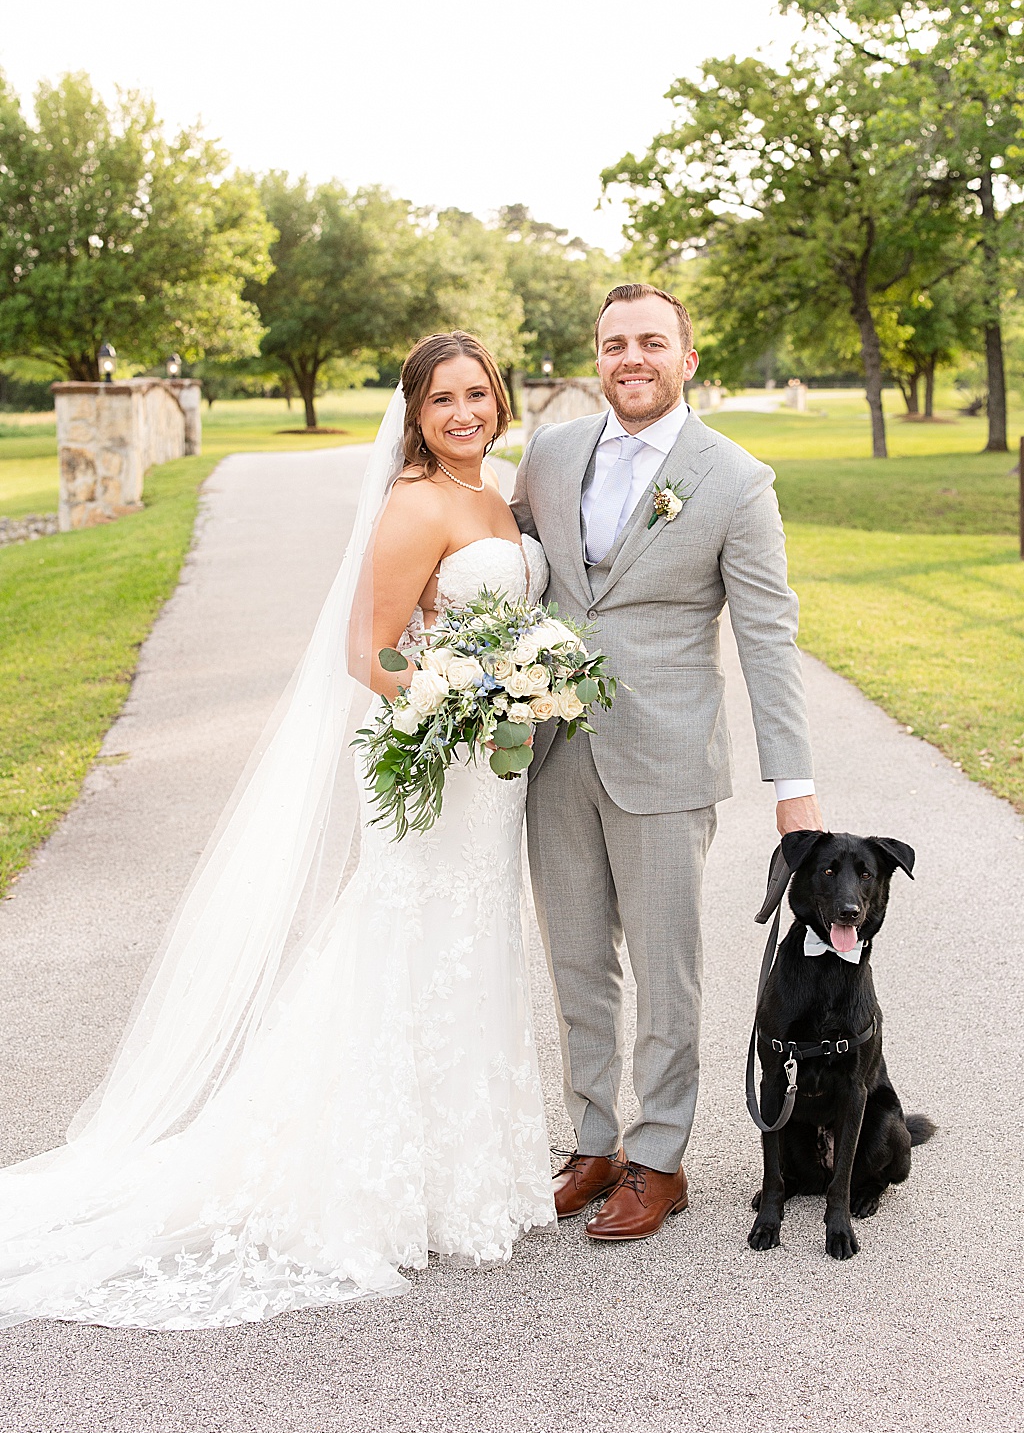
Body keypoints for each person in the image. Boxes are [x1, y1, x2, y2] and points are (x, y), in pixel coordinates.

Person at [0, 332, 555, 1331]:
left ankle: (469, 1175)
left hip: (494, 777)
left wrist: (516, 691)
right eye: (443, 401)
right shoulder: (415, 501)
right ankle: (376, 1185)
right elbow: (367, 648)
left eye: (478, 394)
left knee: (474, 951)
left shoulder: (496, 491)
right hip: (437, 759)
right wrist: (452, 705)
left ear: (500, 399)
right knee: (406, 944)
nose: (465, 413)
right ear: (416, 415)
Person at [511, 283, 823, 1242]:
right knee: (574, 961)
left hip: (665, 754)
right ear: (596, 357)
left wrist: (795, 788)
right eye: (613, 344)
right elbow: (512, 582)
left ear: (688, 358)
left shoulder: (735, 479)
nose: (630, 359)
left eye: (651, 342)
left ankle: (658, 1157)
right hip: (554, 746)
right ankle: (595, 1140)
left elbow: (768, 638)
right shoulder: (550, 454)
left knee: (666, 964)